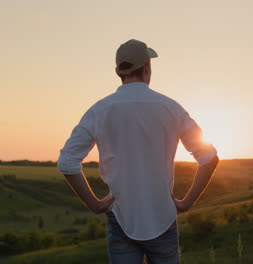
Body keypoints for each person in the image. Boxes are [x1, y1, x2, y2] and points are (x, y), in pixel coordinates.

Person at [57, 39, 219, 264]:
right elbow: (209, 158)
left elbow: (66, 162)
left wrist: (94, 204)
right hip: (162, 217)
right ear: (147, 68)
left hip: (121, 218)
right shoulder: (170, 108)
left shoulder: (100, 110)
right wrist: (186, 202)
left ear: (117, 72)